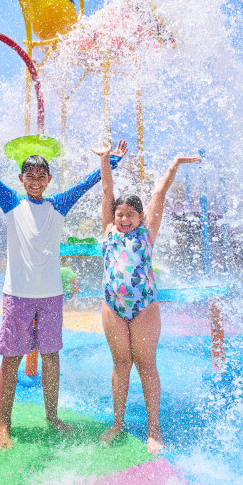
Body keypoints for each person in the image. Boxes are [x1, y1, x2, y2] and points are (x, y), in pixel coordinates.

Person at [0, 116, 126, 450]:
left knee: (51, 357)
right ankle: (4, 424)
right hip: (18, 296)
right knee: (11, 358)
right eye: (30, 176)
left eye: (41, 176)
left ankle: (52, 416)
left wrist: (112, 161)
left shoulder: (58, 204)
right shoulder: (11, 201)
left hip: (51, 296)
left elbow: (88, 183)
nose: (35, 181)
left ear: (49, 179)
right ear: (21, 178)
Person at [91, 143, 200, 454]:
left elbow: (158, 196)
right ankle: (118, 423)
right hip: (112, 306)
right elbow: (106, 193)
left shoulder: (147, 233)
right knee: (121, 363)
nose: (124, 219)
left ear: (140, 217)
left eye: (131, 214)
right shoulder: (109, 231)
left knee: (146, 363)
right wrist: (104, 161)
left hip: (144, 307)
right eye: (120, 214)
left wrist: (175, 163)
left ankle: (154, 426)